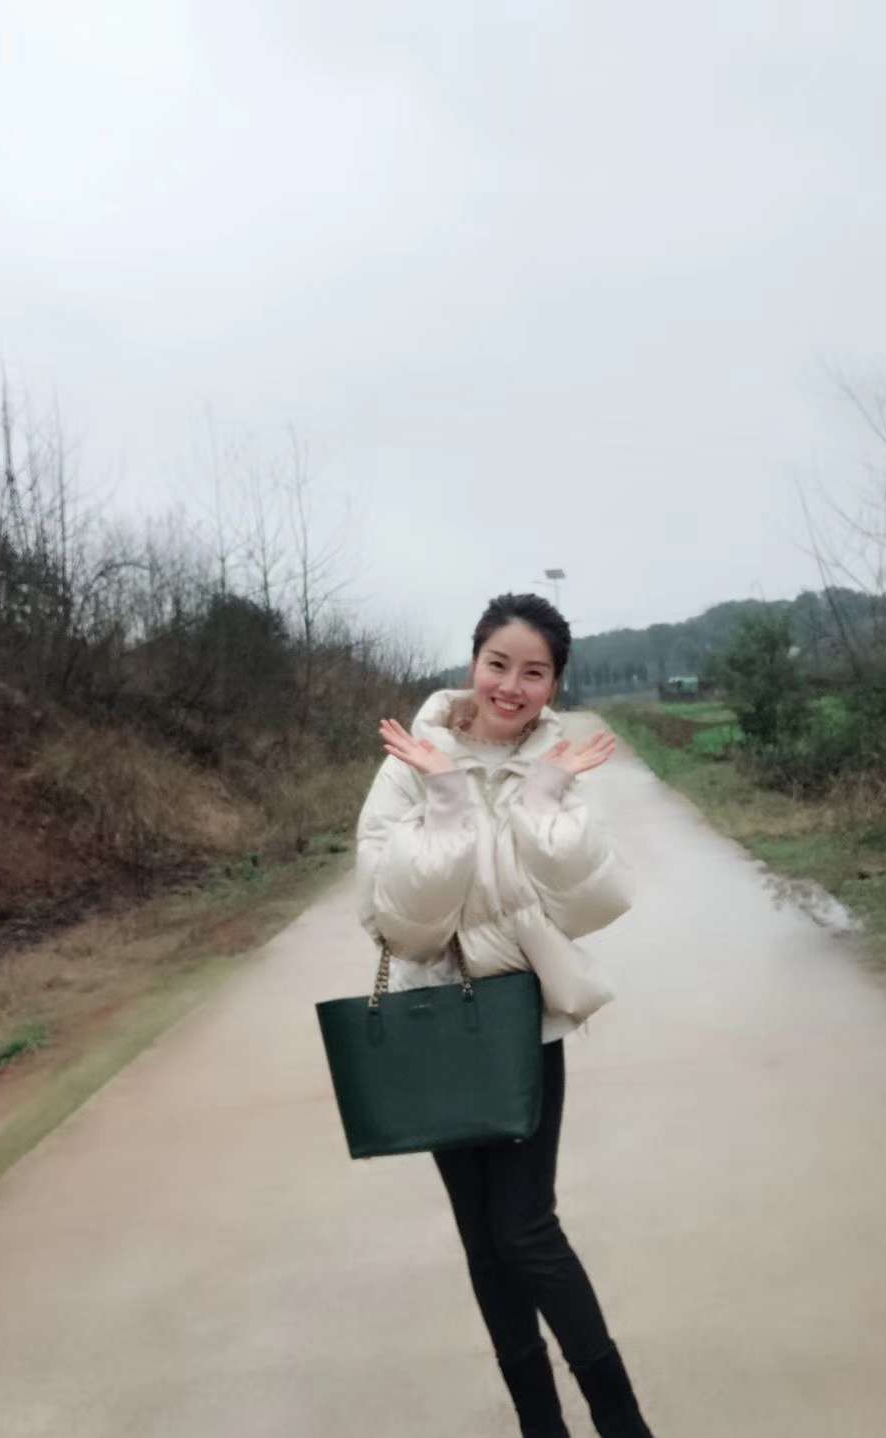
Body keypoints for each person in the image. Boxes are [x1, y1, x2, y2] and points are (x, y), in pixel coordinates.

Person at [355, 592, 656, 1438]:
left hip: (523, 1021)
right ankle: (539, 1425)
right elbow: (397, 919)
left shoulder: (557, 767)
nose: (511, 687)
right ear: (473, 663)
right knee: (484, 1244)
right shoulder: (409, 761)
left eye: (534, 672)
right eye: (498, 664)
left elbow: (591, 899)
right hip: (437, 1023)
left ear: (554, 683)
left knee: (524, 1228)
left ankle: (622, 1421)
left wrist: (543, 796)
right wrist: (449, 799)